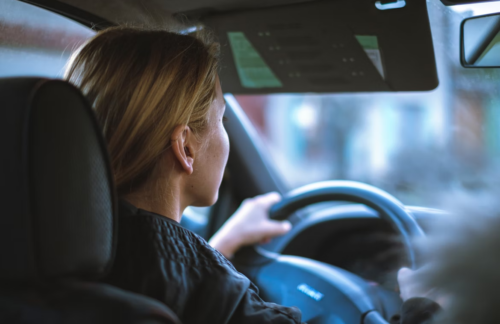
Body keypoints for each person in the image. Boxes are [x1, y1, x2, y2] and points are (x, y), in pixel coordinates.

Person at [65, 26, 441, 324]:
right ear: (186, 148)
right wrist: (424, 308)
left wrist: (218, 247)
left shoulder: (55, 249)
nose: (225, 133)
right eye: (221, 119)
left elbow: (162, 274)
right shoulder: (213, 295)